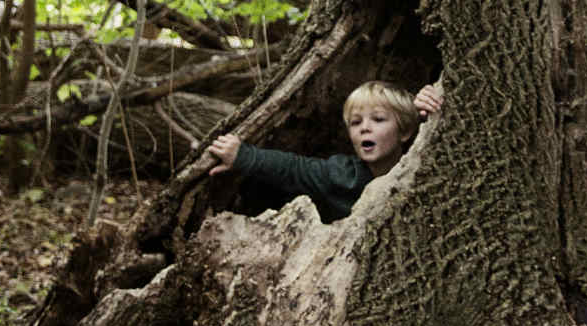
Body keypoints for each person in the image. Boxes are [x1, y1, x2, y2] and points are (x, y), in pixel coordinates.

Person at [188, 80, 443, 224]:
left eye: (378, 119)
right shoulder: (341, 174)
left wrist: (428, 105)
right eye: (355, 123)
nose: (365, 128)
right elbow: (294, 169)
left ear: (405, 131)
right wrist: (244, 156)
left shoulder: (425, 162)